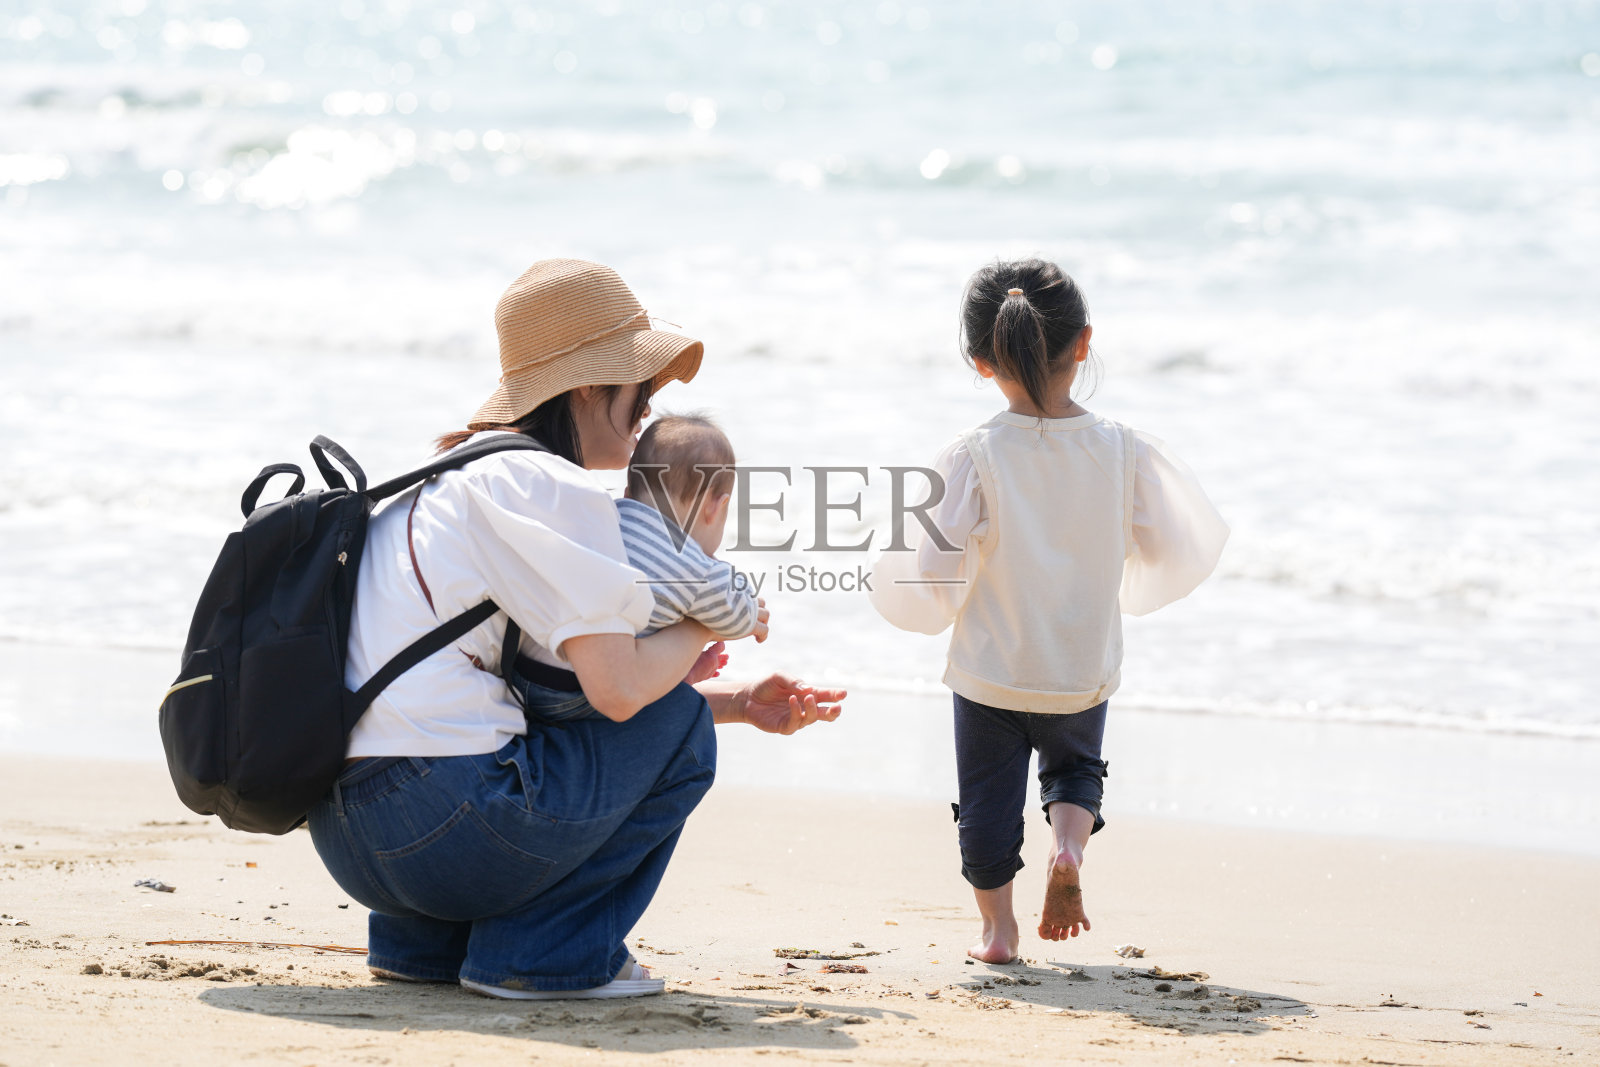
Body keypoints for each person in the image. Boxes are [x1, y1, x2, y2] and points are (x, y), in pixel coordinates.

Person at [306, 259, 844, 1000]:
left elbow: (548, 699)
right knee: (683, 731)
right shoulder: (551, 488)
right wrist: (696, 622)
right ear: (590, 386)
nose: (650, 410)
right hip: (438, 824)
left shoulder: (444, 477)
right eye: (642, 388)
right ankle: (543, 952)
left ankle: (423, 947)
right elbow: (620, 695)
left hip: (352, 839)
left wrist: (736, 699)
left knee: (678, 713)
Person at [867, 258, 1227, 965]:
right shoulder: (1125, 450)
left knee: (986, 809)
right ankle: (1069, 844)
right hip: (1079, 665)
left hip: (991, 671)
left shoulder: (974, 456)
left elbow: (929, 566)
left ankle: (999, 931)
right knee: (1075, 773)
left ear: (979, 361)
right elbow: (1178, 541)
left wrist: (926, 595)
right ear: (1083, 344)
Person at [508, 414, 766, 725]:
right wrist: (752, 613)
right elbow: (734, 617)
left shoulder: (604, 519)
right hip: (578, 694)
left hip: (524, 677)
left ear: (629, 490)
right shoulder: (695, 567)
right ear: (716, 507)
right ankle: (678, 685)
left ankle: (682, 678)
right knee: (686, 724)